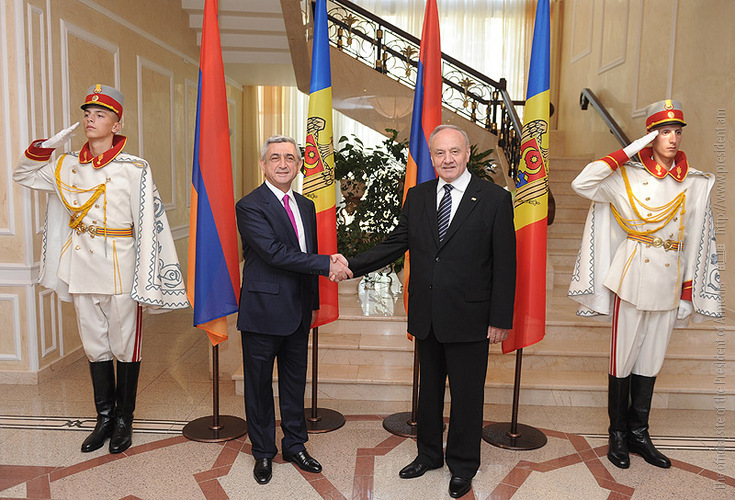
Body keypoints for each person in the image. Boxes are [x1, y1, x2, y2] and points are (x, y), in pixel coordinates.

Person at [14, 84, 188, 454]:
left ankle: (124, 419)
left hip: (121, 268)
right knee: (95, 346)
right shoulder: (66, 166)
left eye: (100, 114)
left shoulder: (134, 168)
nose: (90, 119)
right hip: (81, 267)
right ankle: (104, 418)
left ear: (116, 124)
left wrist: (148, 276)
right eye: (87, 113)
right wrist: (45, 147)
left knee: (125, 345)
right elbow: (23, 176)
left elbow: (148, 223)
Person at [345, 124, 516, 498]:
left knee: (467, 396)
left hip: (471, 317)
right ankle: (428, 455)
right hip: (427, 314)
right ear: (432, 158)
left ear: (467, 153)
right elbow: (396, 243)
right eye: (440, 153)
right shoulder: (419, 196)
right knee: (428, 393)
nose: (447, 159)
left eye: (454, 151)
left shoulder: (494, 199)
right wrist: (350, 265)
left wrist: (500, 319)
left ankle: (463, 464)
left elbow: (505, 264)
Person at [569, 99, 721, 469]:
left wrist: (688, 292)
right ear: (651, 136)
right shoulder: (627, 176)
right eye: (664, 132)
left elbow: (697, 239)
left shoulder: (694, 182)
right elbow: (581, 183)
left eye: (677, 131)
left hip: (670, 279)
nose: (673, 138)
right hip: (633, 276)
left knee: (651, 360)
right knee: (623, 358)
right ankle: (617, 434)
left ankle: (639, 433)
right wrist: (631, 149)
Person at [235, 135, 351, 485]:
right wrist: (327, 264)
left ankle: (295, 445)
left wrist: (313, 303)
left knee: (294, 383)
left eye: (290, 157)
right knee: (258, 386)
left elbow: (305, 254)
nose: (283, 164)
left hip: (299, 310)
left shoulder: (305, 205)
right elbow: (274, 252)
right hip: (262, 310)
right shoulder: (249, 205)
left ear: (299, 165)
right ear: (263, 165)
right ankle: (262, 452)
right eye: (275, 158)